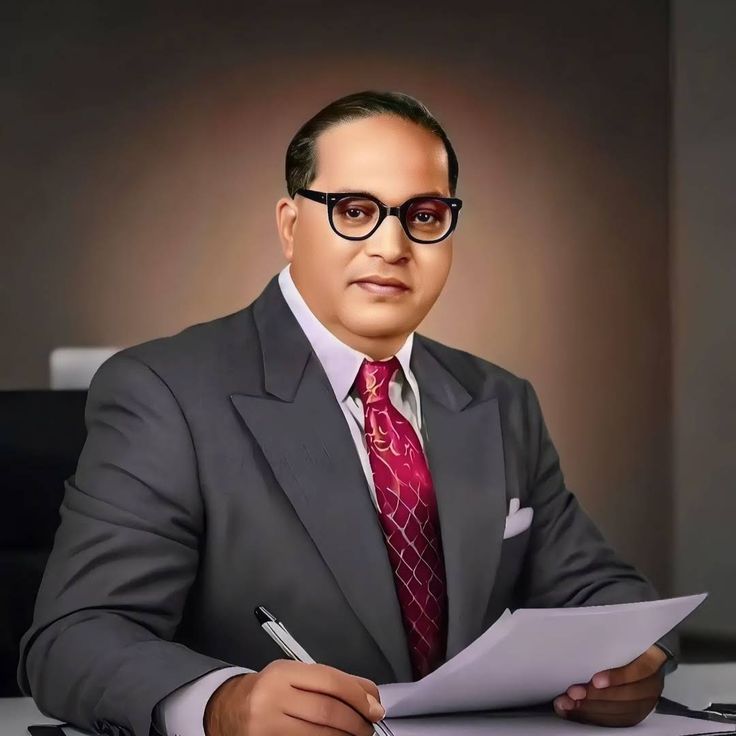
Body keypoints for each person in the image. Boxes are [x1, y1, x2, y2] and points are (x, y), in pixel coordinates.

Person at [18, 90, 678, 736]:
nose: (392, 246)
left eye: (422, 215)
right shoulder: (164, 392)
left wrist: (636, 664)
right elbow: (73, 639)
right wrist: (224, 706)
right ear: (290, 224)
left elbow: (602, 590)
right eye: (355, 210)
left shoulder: (499, 399)